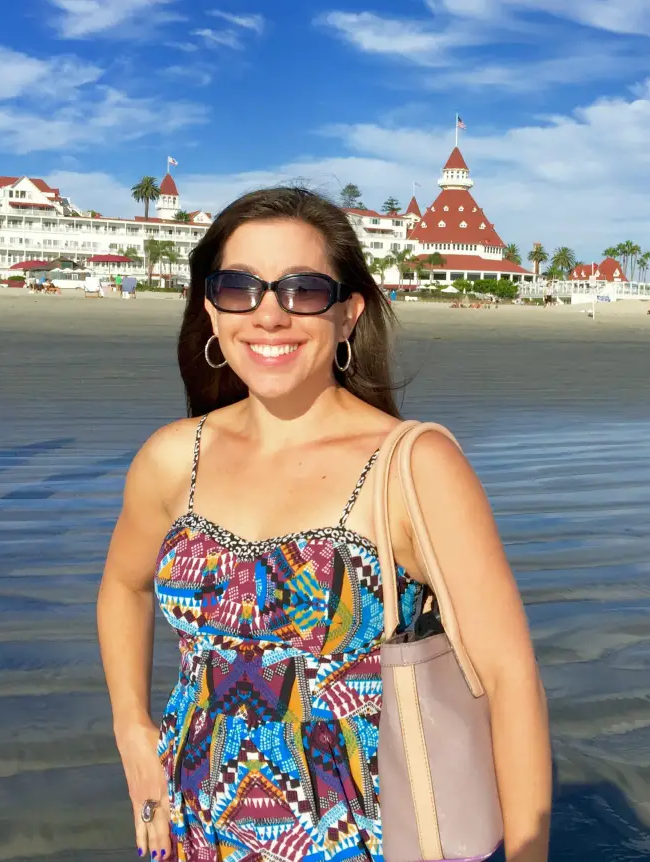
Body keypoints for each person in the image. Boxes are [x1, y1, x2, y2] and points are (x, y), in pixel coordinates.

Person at [96, 187, 552, 862]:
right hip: (193, 824)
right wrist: (134, 735)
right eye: (239, 287)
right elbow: (122, 588)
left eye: (303, 290)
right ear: (211, 310)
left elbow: (510, 678)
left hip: (360, 835)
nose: (270, 314)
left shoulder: (414, 466)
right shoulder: (173, 459)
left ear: (348, 314)